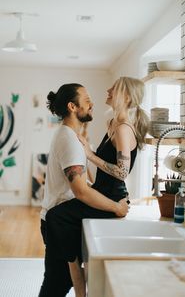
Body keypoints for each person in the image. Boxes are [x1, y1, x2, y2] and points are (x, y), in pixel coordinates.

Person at [44, 77, 149, 297]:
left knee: (55, 217)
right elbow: (94, 175)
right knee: (59, 221)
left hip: (112, 195)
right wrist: (88, 156)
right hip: (103, 190)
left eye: (115, 88)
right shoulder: (112, 124)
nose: (108, 89)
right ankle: (79, 284)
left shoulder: (123, 129)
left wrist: (90, 155)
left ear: (127, 97)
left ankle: (80, 285)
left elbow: (122, 172)